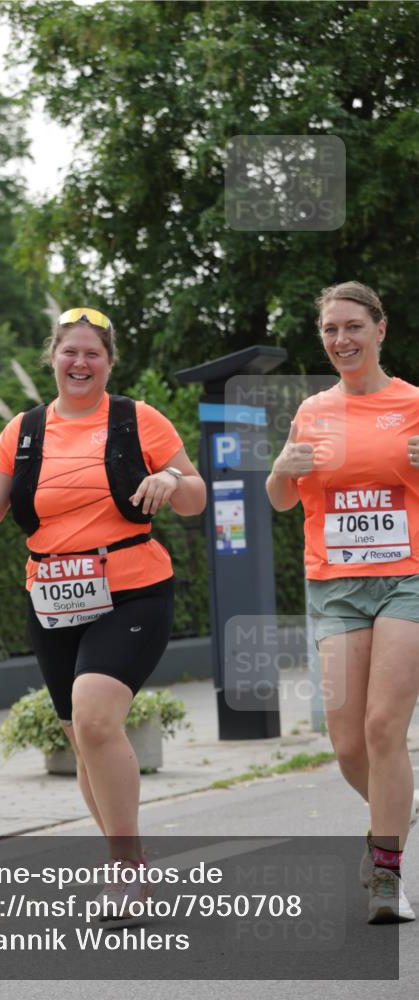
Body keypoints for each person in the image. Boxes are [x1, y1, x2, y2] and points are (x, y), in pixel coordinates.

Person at [0, 306, 206, 920]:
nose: (80, 362)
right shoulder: (23, 430)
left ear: (109, 362)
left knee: (97, 720)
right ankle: (129, 860)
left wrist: (173, 481)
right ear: (53, 358)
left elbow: (196, 494)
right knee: (81, 739)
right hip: (51, 597)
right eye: (70, 351)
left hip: (132, 588)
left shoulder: (135, 418)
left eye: (92, 353)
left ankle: (125, 872)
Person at [266, 281, 419, 924]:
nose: (341, 340)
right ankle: (392, 813)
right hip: (335, 586)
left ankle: (387, 873)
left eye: (353, 326)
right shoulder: (311, 410)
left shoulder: (414, 403)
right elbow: (280, 499)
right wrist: (280, 467)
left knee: (385, 726)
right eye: (330, 330)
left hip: (407, 577)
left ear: (380, 329)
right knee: (347, 742)